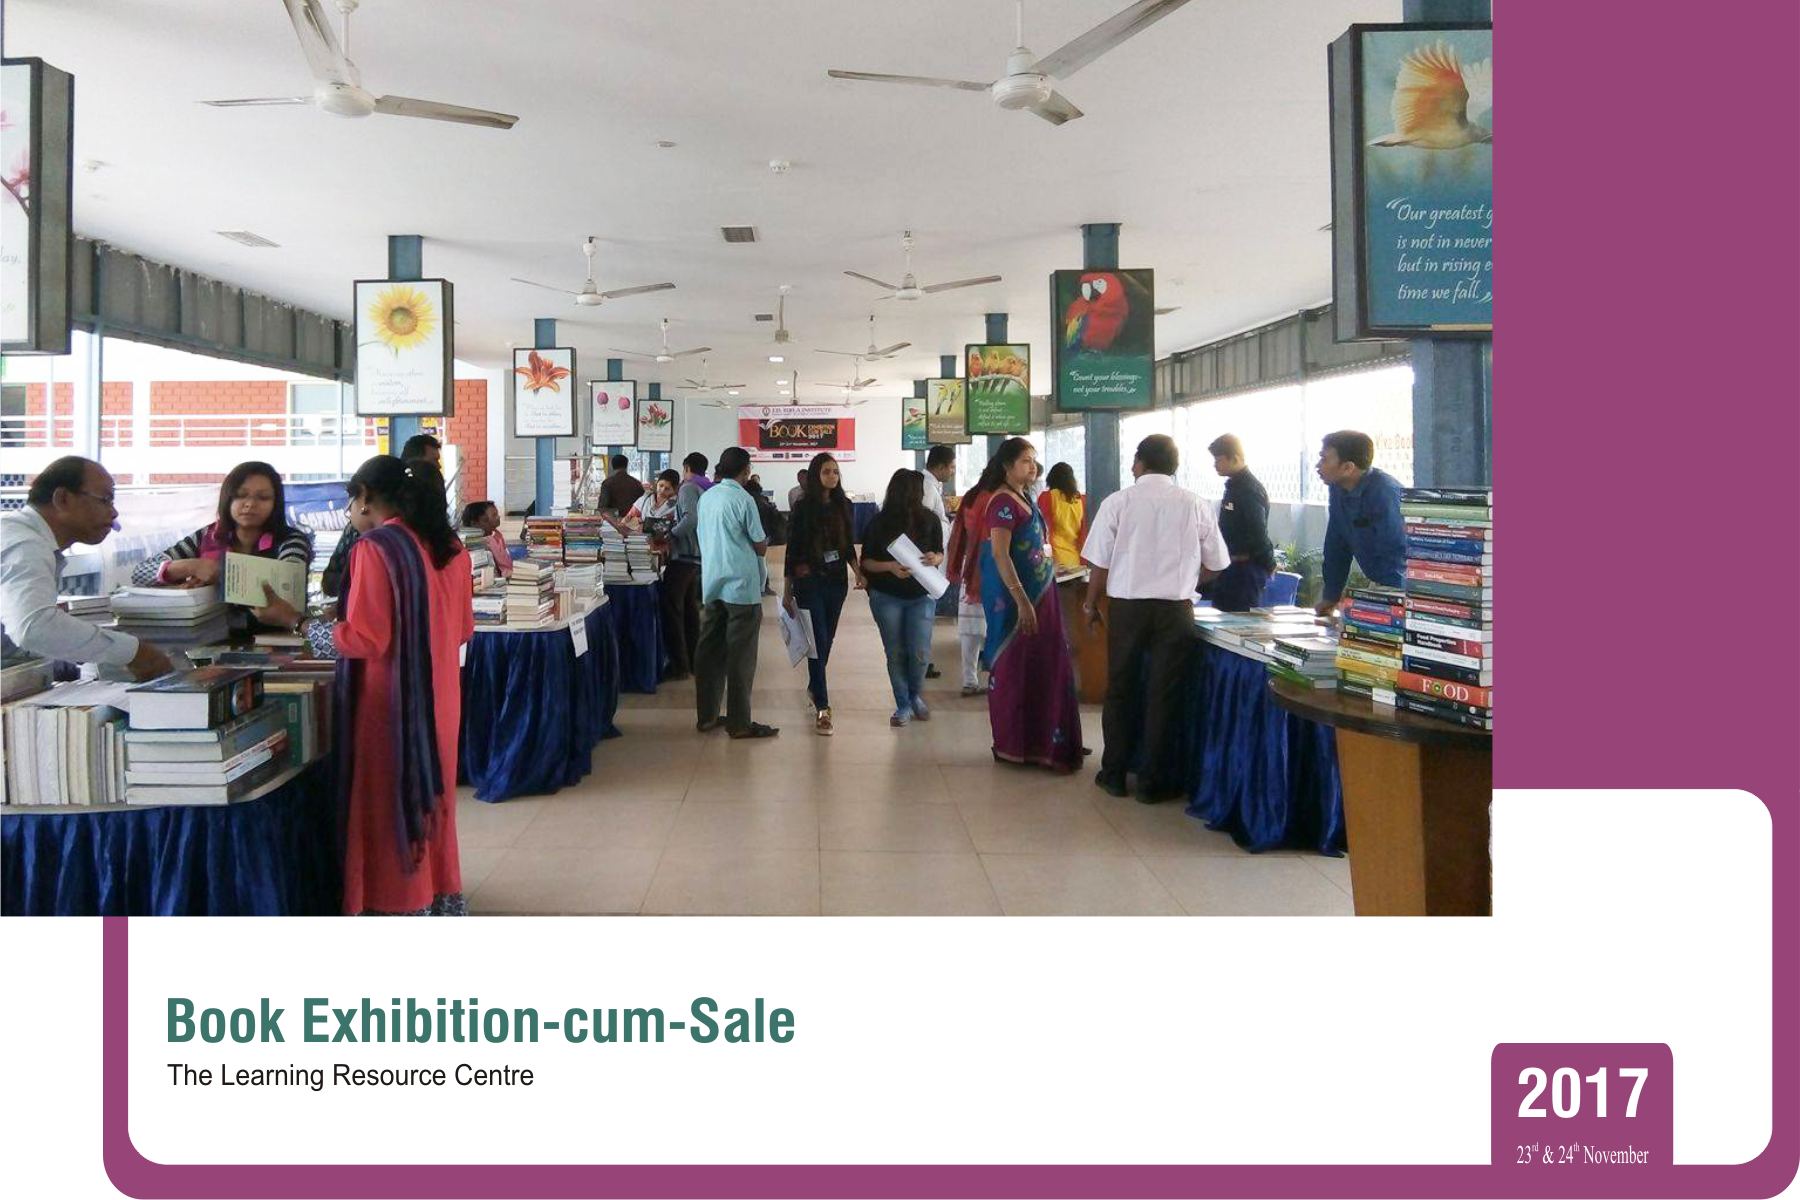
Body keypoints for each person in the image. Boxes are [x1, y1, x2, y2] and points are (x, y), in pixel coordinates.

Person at [331, 456, 475, 916]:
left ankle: (399, 903)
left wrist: (310, 630)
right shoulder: (450, 547)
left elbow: (366, 638)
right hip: (441, 697)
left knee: (391, 805)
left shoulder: (376, 549)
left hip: (391, 701)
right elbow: (464, 628)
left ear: (365, 497)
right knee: (434, 800)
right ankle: (440, 896)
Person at [1082, 434, 1229, 803]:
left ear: (1140, 463)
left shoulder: (1118, 502)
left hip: (1127, 609)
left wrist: (1090, 604)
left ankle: (1114, 774)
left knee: (1121, 689)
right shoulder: (1195, 504)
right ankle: (1152, 782)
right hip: (1175, 611)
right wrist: (1186, 581)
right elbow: (1216, 564)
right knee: (1164, 694)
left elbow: (1099, 563)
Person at [0, 456, 173, 680]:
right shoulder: (24, 545)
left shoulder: (28, 539)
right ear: (62, 499)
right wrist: (134, 652)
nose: (114, 513)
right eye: (105, 500)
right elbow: (34, 628)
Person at [978, 438, 1083, 773]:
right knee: (1016, 670)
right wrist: (1022, 600)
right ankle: (1016, 744)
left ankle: (1050, 739)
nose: (1032, 466)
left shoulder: (1025, 497)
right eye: (1025, 460)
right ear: (1007, 465)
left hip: (1043, 593)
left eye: (1034, 459)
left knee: (1046, 665)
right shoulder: (1002, 502)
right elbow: (1000, 554)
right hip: (1017, 601)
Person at [131, 461, 315, 634]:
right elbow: (139, 574)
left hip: (277, 640)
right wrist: (191, 567)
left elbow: (289, 576)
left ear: (276, 503)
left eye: (263, 497)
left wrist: (224, 575)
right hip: (207, 639)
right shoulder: (207, 536)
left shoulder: (291, 540)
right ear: (227, 498)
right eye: (240, 495)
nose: (250, 504)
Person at [694, 446, 776, 739]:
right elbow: (760, 545)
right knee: (741, 658)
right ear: (746, 470)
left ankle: (707, 717)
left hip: (712, 584)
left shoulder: (707, 498)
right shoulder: (744, 499)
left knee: (710, 653)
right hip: (741, 588)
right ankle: (740, 723)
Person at [782, 452, 864, 735]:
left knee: (826, 640)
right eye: (827, 471)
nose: (833, 476)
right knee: (817, 641)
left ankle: (814, 686)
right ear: (816, 475)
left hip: (836, 581)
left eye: (836, 472)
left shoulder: (844, 505)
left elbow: (847, 544)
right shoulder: (803, 507)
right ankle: (823, 707)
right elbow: (792, 549)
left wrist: (858, 571)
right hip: (809, 581)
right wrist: (787, 590)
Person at [860, 468, 945, 727]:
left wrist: (934, 558)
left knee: (920, 652)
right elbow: (867, 562)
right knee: (895, 652)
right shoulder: (879, 523)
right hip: (887, 596)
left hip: (922, 594)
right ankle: (903, 704)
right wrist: (890, 567)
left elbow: (939, 552)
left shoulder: (929, 520)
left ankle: (914, 694)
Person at [324, 434, 441, 598]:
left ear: (363, 494)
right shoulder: (437, 538)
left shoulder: (372, 544)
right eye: (434, 462)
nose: (438, 467)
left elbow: (363, 612)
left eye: (352, 500)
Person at [1315, 429, 1404, 616]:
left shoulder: (1385, 493)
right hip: (1382, 586)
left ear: (1348, 467)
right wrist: (1331, 596)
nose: (1318, 465)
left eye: (1324, 459)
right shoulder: (1338, 490)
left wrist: (1387, 605)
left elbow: (1397, 555)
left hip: (1402, 589)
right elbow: (1336, 546)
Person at [1206, 434, 1276, 612]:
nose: (1215, 465)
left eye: (1219, 460)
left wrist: (1269, 564)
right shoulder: (1233, 487)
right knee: (1222, 618)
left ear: (1235, 459)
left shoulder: (1248, 489)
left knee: (1240, 620)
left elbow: (1257, 531)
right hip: (1230, 567)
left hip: (1245, 571)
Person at [945, 472, 994, 697]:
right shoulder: (997, 499)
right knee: (996, 627)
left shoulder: (971, 497)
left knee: (970, 630)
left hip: (970, 566)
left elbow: (958, 535)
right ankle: (996, 680)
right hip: (993, 566)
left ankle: (969, 680)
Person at [662, 452, 709, 681]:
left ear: (687, 467)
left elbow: (691, 519)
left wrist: (671, 534)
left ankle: (679, 665)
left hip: (685, 556)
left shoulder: (688, 487)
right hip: (697, 556)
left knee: (672, 609)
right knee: (690, 611)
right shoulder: (705, 487)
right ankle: (693, 662)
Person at [921, 445, 957, 679]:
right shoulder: (926, 487)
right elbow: (923, 523)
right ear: (941, 466)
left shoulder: (932, 486)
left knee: (927, 613)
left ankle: (922, 660)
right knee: (924, 614)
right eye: (952, 467)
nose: (953, 472)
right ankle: (921, 662)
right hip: (927, 560)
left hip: (933, 558)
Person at [1037, 461, 1088, 570]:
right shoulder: (1082, 500)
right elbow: (1083, 533)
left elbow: (1041, 529)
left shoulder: (1047, 497)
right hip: (1075, 560)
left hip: (1054, 559)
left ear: (1051, 478)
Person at [460, 500, 513, 579]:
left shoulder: (496, 537)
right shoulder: (471, 546)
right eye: (494, 515)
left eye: (497, 514)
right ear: (475, 523)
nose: (498, 517)